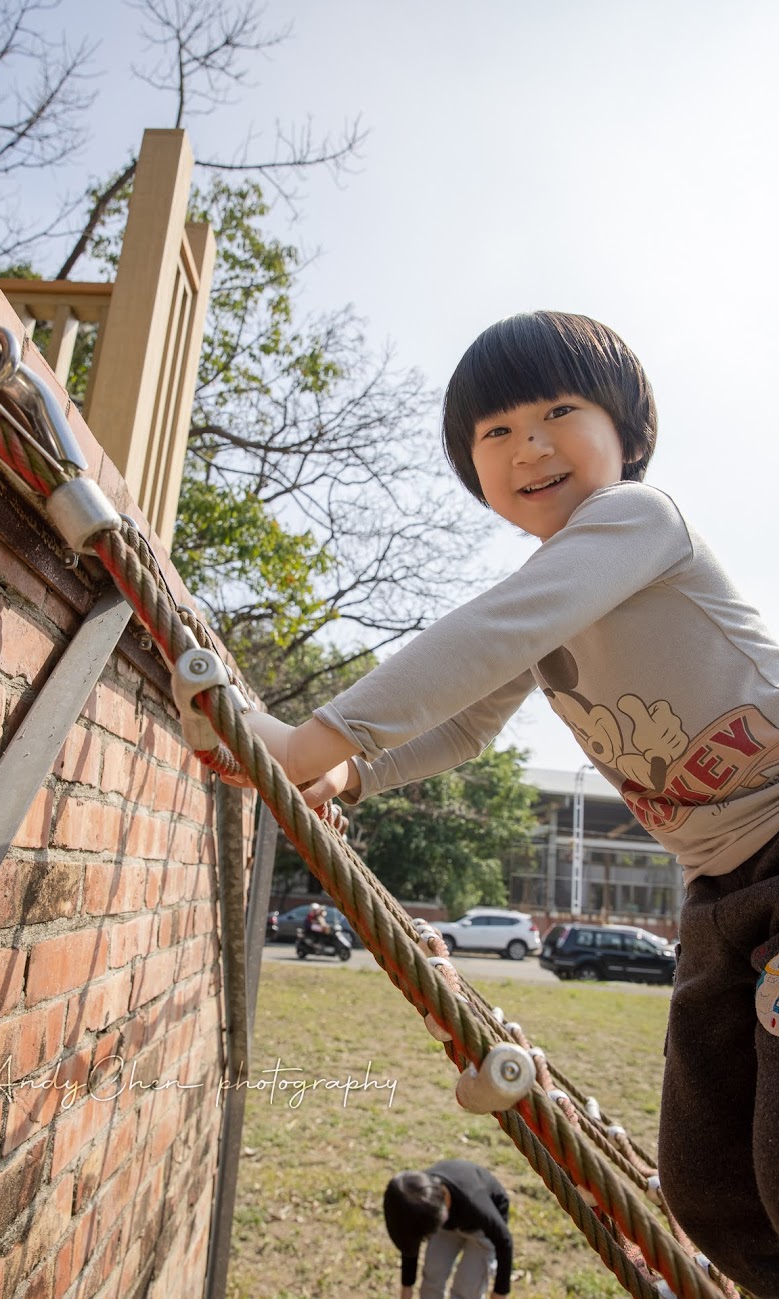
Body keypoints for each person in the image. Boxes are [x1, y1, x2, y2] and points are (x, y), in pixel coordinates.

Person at [242, 311, 779, 1297]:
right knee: (707, 1182)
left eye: (558, 412)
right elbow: (462, 727)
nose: (528, 444)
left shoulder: (637, 520)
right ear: (475, 470)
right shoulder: (552, 593)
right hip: (720, 886)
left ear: (628, 432)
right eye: (495, 432)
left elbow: (484, 636)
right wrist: (354, 775)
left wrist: (315, 739)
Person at [383, 1160, 512, 1299]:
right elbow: (410, 1240)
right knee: (433, 1275)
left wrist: (500, 1292)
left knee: (467, 1289)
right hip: (445, 1222)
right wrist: (406, 1288)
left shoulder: (475, 1202)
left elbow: (504, 1241)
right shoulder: (417, 1199)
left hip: (481, 1230)